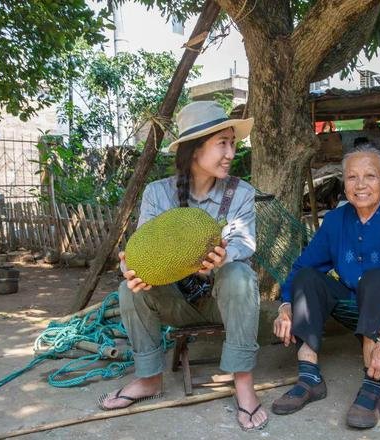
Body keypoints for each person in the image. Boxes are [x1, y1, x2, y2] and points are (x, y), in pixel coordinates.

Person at [98, 101, 268, 431]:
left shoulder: (242, 194)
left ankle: (244, 383)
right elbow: (143, 250)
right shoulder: (157, 194)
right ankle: (148, 379)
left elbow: (246, 243)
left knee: (240, 275)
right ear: (193, 151)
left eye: (233, 143)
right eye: (222, 143)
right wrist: (132, 269)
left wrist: (222, 258)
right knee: (126, 289)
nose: (231, 152)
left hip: (223, 303)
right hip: (177, 304)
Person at [271, 144, 380, 428]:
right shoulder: (336, 220)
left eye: (370, 176)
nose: (360, 185)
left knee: (376, 278)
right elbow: (305, 266)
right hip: (352, 293)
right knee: (307, 279)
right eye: (352, 177)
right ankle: (309, 376)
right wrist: (286, 305)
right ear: (344, 183)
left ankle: (372, 385)